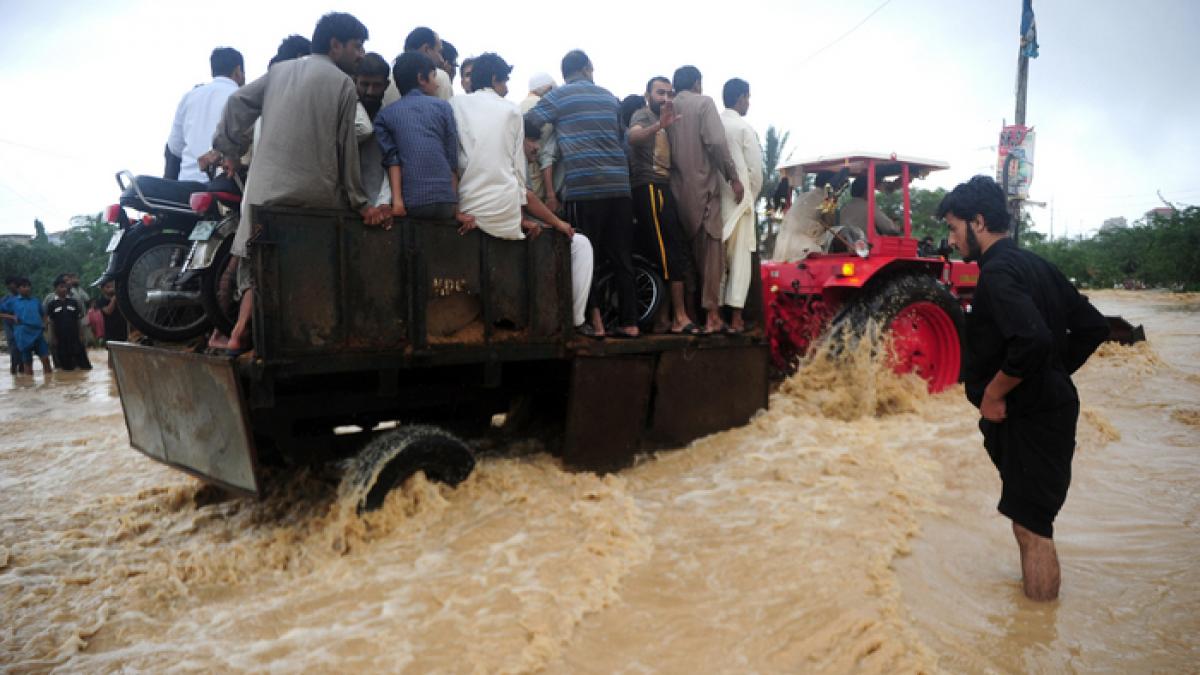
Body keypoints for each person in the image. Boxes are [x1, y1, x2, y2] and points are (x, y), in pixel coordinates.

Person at [940, 175, 1109, 601]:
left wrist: (995, 393)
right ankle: (1033, 627)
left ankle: (1039, 624)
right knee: (1028, 521)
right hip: (1047, 407)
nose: (951, 239)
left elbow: (1032, 340)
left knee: (1033, 529)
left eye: (954, 228)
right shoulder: (1038, 265)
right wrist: (1054, 373)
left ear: (978, 222)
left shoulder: (997, 274)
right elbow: (1092, 327)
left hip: (1031, 416)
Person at [211, 12, 389, 355]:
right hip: (312, 199)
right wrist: (360, 203)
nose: (360, 54)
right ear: (335, 45)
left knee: (257, 268)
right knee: (316, 268)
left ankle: (238, 334)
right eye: (356, 46)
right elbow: (346, 149)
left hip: (262, 197)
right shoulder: (342, 84)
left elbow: (236, 103)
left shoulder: (279, 71)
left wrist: (229, 147)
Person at [452, 53, 593, 331]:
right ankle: (574, 321)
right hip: (504, 215)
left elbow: (456, 160)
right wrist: (526, 219)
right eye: (504, 82)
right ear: (495, 79)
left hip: (466, 209)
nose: (506, 89)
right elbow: (517, 176)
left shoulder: (454, 104)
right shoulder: (511, 111)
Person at [525, 49, 637, 338]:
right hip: (619, 186)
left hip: (584, 188)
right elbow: (621, 138)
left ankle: (596, 324)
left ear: (565, 74)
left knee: (589, 255)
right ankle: (630, 324)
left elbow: (529, 121)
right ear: (587, 68)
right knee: (622, 257)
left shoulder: (559, 97)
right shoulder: (609, 97)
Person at [665, 65, 744, 334]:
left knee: (685, 258)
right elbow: (717, 143)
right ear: (697, 83)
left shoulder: (667, 107)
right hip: (704, 192)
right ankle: (712, 316)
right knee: (711, 255)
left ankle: (687, 315)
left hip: (675, 194)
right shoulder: (703, 103)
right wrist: (733, 177)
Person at [627, 76, 697, 334]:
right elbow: (633, 137)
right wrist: (658, 125)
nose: (666, 98)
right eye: (660, 93)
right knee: (668, 254)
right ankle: (679, 317)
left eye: (669, 93)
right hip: (649, 187)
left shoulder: (671, 119)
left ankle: (664, 318)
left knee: (670, 251)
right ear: (648, 95)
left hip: (665, 188)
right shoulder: (643, 115)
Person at [375, 51, 461, 220]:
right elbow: (452, 160)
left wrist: (397, 203)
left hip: (413, 203)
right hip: (446, 202)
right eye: (434, 76)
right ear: (421, 78)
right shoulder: (443, 107)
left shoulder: (385, 116)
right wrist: (455, 209)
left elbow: (392, 161)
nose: (437, 84)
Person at [718, 78, 763, 334]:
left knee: (716, 260)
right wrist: (750, 198)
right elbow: (755, 172)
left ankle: (714, 317)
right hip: (740, 202)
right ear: (741, 98)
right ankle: (736, 319)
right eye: (748, 98)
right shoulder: (744, 128)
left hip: (715, 202)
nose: (749, 103)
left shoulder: (713, 124)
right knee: (740, 261)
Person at [166, 47, 245, 184]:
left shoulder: (190, 96)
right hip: (224, 185)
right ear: (238, 71)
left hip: (185, 184)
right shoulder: (242, 97)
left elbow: (175, 147)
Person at [355, 52, 393, 206]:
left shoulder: (390, 119)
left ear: (386, 85)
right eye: (364, 84)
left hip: (378, 204)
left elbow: (392, 165)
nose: (370, 91)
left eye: (376, 85)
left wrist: (383, 203)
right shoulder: (345, 113)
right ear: (354, 81)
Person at [772, 171, 834, 260]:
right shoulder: (826, 199)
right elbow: (830, 225)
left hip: (782, 246)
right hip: (804, 247)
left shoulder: (803, 196)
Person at [0, 278, 52, 374]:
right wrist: (12, 316)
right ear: (18, 289)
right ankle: (28, 382)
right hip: (23, 335)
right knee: (27, 364)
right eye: (24, 287)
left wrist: (45, 324)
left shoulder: (35, 301)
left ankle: (49, 382)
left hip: (38, 333)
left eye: (28, 286)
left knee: (46, 360)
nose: (27, 288)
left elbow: (44, 314)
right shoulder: (12, 301)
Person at [46, 276, 91, 371]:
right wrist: (53, 337)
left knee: (84, 366)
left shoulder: (73, 302)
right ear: (55, 289)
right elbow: (51, 322)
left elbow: (78, 320)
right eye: (61, 287)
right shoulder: (52, 304)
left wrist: (81, 334)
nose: (64, 289)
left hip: (75, 337)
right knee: (66, 367)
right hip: (61, 338)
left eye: (65, 287)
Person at [404, 27, 453, 100]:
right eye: (439, 52)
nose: (442, 60)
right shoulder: (440, 77)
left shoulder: (390, 79)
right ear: (426, 49)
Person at [2, 276, 22, 373]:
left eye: (13, 284)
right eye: (9, 284)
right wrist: (12, 316)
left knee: (22, 348)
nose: (11, 286)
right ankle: (13, 370)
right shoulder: (5, 299)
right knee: (13, 348)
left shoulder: (23, 298)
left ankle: (22, 374)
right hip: (9, 327)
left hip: (22, 327)